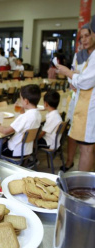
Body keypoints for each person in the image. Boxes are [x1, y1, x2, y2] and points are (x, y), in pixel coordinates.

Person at [56, 22, 95, 172]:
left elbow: (85, 81)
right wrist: (73, 78)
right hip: (81, 102)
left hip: (89, 107)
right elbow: (79, 77)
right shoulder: (82, 56)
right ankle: (72, 165)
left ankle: (82, 188)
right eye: (82, 37)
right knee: (83, 143)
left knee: (87, 148)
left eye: (88, 35)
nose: (85, 39)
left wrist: (68, 73)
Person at [0, 84, 41, 157]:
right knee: (2, 141)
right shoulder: (37, 114)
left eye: (21, 98)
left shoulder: (25, 117)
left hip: (13, 151)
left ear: (26, 101)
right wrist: (22, 111)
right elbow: (26, 123)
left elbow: (5, 131)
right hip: (25, 150)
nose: (20, 101)